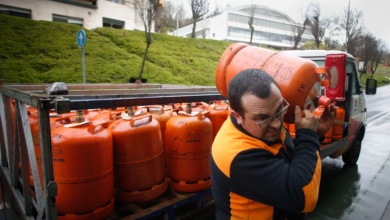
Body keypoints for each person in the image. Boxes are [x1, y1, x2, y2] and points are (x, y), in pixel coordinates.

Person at [210, 68, 334, 220]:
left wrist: (316, 135)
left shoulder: (261, 128)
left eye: (279, 110)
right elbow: (305, 194)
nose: (276, 124)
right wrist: (308, 136)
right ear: (238, 116)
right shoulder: (236, 155)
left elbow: (285, 155)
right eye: (263, 118)